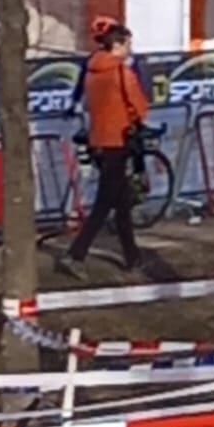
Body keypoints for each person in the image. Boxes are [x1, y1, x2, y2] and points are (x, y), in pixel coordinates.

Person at [60, 20, 150, 275]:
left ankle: (133, 256)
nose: (130, 49)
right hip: (118, 140)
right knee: (105, 202)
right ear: (117, 45)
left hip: (98, 139)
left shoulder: (92, 70)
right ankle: (76, 254)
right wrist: (139, 120)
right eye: (128, 44)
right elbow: (139, 106)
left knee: (120, 201)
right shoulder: (121, 72)